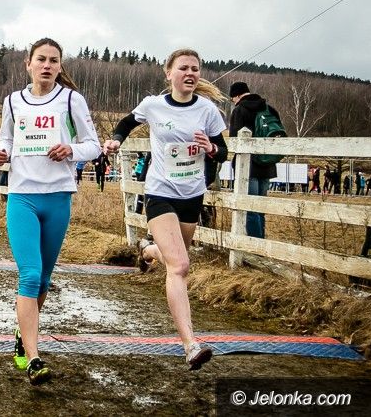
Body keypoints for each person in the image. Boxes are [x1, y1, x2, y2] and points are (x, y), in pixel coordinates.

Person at [103, 48, 228, 371]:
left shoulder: (207, 110)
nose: (190, 73)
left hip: (192, 194)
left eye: (195, 69)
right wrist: (116, 140)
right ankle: (190, 345)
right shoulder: (153, 105)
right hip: (160, 192)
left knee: (175, 258)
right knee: (181, 265)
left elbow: (223, 152)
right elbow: (127, 123)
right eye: (183, 68)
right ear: (168, 73)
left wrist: (211, 147)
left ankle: (147, 250)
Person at [0, 38, 100, 385]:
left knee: (44, 280)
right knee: (30, 274)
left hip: (57, 196)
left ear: (59, 66)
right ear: (28, 63)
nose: (47, 65)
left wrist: (70, 150)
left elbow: (93, 146)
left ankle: (22, 334)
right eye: (41, 59)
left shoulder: (71, 99)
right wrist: (0, 152)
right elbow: (6, 139)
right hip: (22, 195)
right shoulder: (13, 101)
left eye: (54, 60)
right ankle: (34, 357)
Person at [228, 81, 281, 239]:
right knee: (260, 208)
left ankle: (254, 244)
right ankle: (261, 241)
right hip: (267, 164)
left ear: (237, 95)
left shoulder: (240, 110)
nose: (233, 102)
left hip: (248, 166)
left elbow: (234, 139)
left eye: (232, 98)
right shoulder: (269, 109)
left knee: (249, 208)